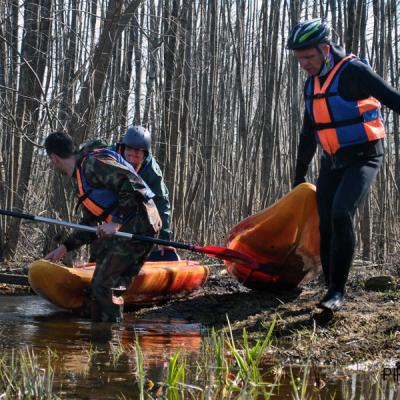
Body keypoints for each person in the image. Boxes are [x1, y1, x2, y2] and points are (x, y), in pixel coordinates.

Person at [287, 19, 400, 311]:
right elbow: (308, 131)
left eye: (309, 57)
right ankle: (329, 287)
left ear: (325, 49)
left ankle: (337, 292)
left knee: (341, 213)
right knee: (325, 222)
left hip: (365, 155)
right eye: (299, 59)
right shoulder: (311, 83)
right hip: (332, 160)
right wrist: (299, 173)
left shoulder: (354, 72)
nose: (304, 64)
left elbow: (393, 98)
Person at [44, 132, 161, 322]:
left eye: (50, 161)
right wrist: (64, 247)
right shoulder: (81, 178)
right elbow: (90, 223)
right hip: (126, 228)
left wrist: (117, 221)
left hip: (139, 226)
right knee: (92, 292)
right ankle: (88, 341)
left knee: (105, 288)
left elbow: (131, 182)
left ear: (54, 158)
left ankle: (108, 346)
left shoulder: (93, 164)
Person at [112, 125, 177, 260]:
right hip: (111, 204)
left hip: (137, 210)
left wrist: (165, 238)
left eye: (137, 156)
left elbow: (162, 202)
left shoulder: (152, 170)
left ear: (145, 154)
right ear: (123, 149)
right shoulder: (110, 156)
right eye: (129, 154)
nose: (131, 160)